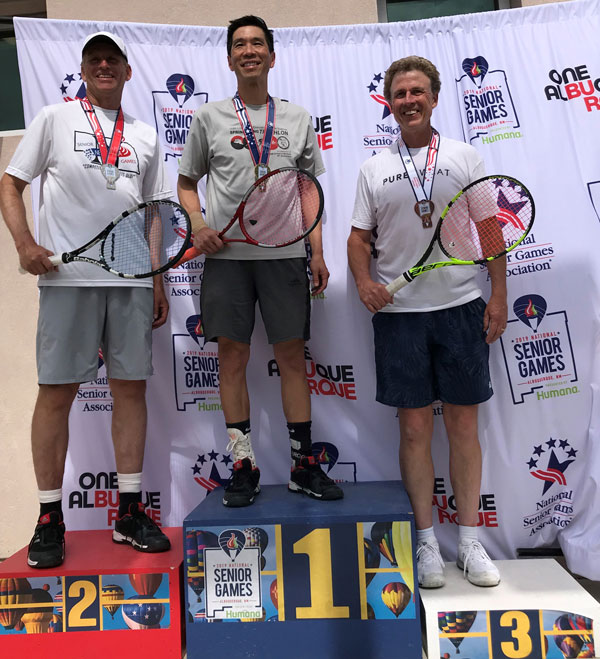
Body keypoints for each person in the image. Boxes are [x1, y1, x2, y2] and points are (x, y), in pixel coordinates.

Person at [0, 32, 172, 568]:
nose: (103, 66)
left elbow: (152, 213)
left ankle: (127, 511)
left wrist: (156, 277)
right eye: (94, 60)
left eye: (112, 60)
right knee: (55, 393)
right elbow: (10, 183)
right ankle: (50, 516)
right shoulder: (53, 118)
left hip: (130, 281)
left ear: (126, 72)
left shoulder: (145, 135)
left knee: (130, 392)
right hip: (67, 278)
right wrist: (25, 245)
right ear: (82, 69)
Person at [347, 56, 505, 588]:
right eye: (399, 93)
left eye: (418, 91)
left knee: (463, 427)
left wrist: (499, 293)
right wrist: (365, 282)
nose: (409, 100)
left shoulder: (465, 156)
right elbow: (357, 238)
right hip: (400, 318)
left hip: (461, 308)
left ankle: (468, 542)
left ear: (434, 98)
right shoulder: (373, 168)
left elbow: (488, 228)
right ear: (389, 103)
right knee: (414, 430)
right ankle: (426, 543)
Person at [177, 15, 342, 507]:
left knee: (291, 357)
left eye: (257, 43)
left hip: (285, 255)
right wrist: (200, 225)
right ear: (230, 59)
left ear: (272, 55)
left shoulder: (297, 118)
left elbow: (309, 191)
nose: (249, 51)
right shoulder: (208, 118)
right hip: (227, 258)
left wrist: (315, 249)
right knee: (233, 357)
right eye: (240, 45)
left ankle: (302, 465)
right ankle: (243, 466)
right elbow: (187, 183)